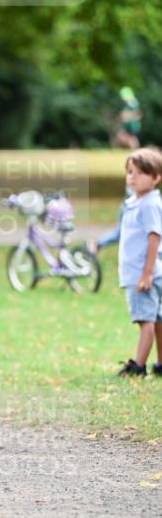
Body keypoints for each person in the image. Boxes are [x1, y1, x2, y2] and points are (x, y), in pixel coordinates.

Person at [117, 147, 162, 377]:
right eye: (130, 172)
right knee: (156, 319)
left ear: (156, 178)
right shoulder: (135, 202)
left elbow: (154, 238)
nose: (133, 177)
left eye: (140, 173)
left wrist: (146, 274)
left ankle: (139, 366)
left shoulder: (148, 204)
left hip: (142, 273)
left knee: (145, 320)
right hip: (145, 272)